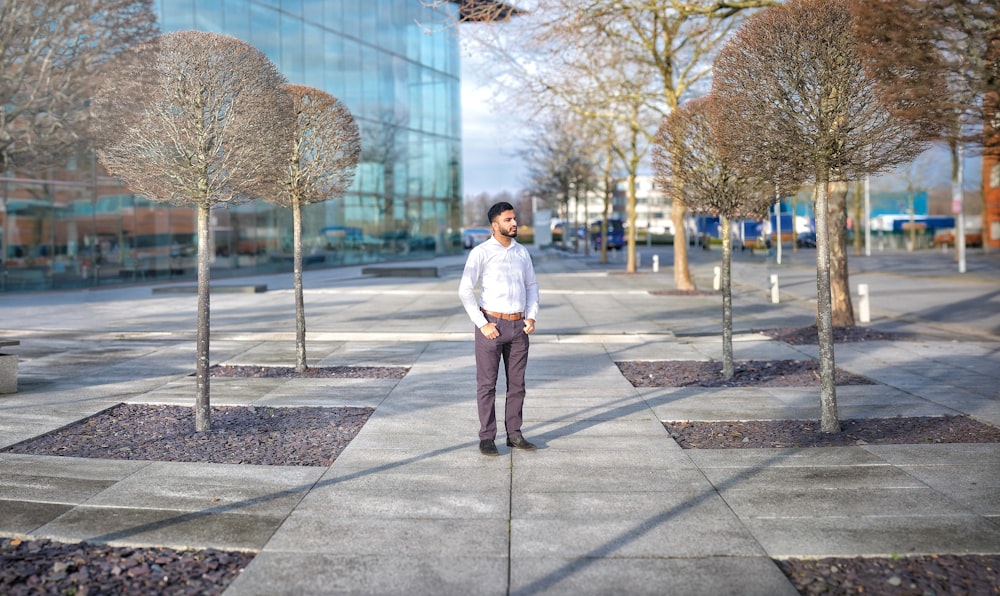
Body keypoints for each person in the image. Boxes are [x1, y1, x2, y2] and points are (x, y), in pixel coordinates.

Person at [458, 201, 539, 456]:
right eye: (508, 220)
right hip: (492, 326)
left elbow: (531, 287)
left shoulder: (521, 253)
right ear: (495, 225)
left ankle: (514, 434)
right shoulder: (481, 253)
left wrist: (532, 316)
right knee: (487, 385)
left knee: (517, 385)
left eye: (514, 218)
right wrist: (482, 325)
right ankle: (487, 437)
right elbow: (464, 290)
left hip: (518, 327)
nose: (514, 223)